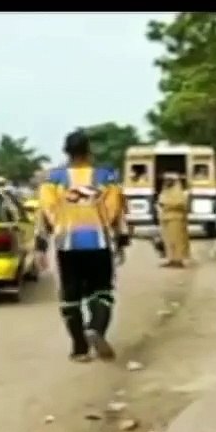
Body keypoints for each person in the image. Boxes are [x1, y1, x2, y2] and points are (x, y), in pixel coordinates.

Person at [38, 130, 127, 362]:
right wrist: (122, 240)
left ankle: (79, 349)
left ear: (66, 152)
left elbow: (46, 215)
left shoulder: (52, 179)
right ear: (89, 150)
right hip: (99, 243)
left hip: (67, 245)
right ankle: (95, 328)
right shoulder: (106, 176)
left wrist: (40, 247)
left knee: (71, 297)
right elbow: (116, 211)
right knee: (102, 292)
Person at [157, 172, 191, 268]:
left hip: (176, 219)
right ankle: (171, 259)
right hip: (165, 218)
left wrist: (166, 204)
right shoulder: (165, 190)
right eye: (166, 180)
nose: (167, 182)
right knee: (168, 241)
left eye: (169, 180)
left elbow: (180, 203)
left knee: (177, 240)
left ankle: (178, 260)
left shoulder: (178, 191)